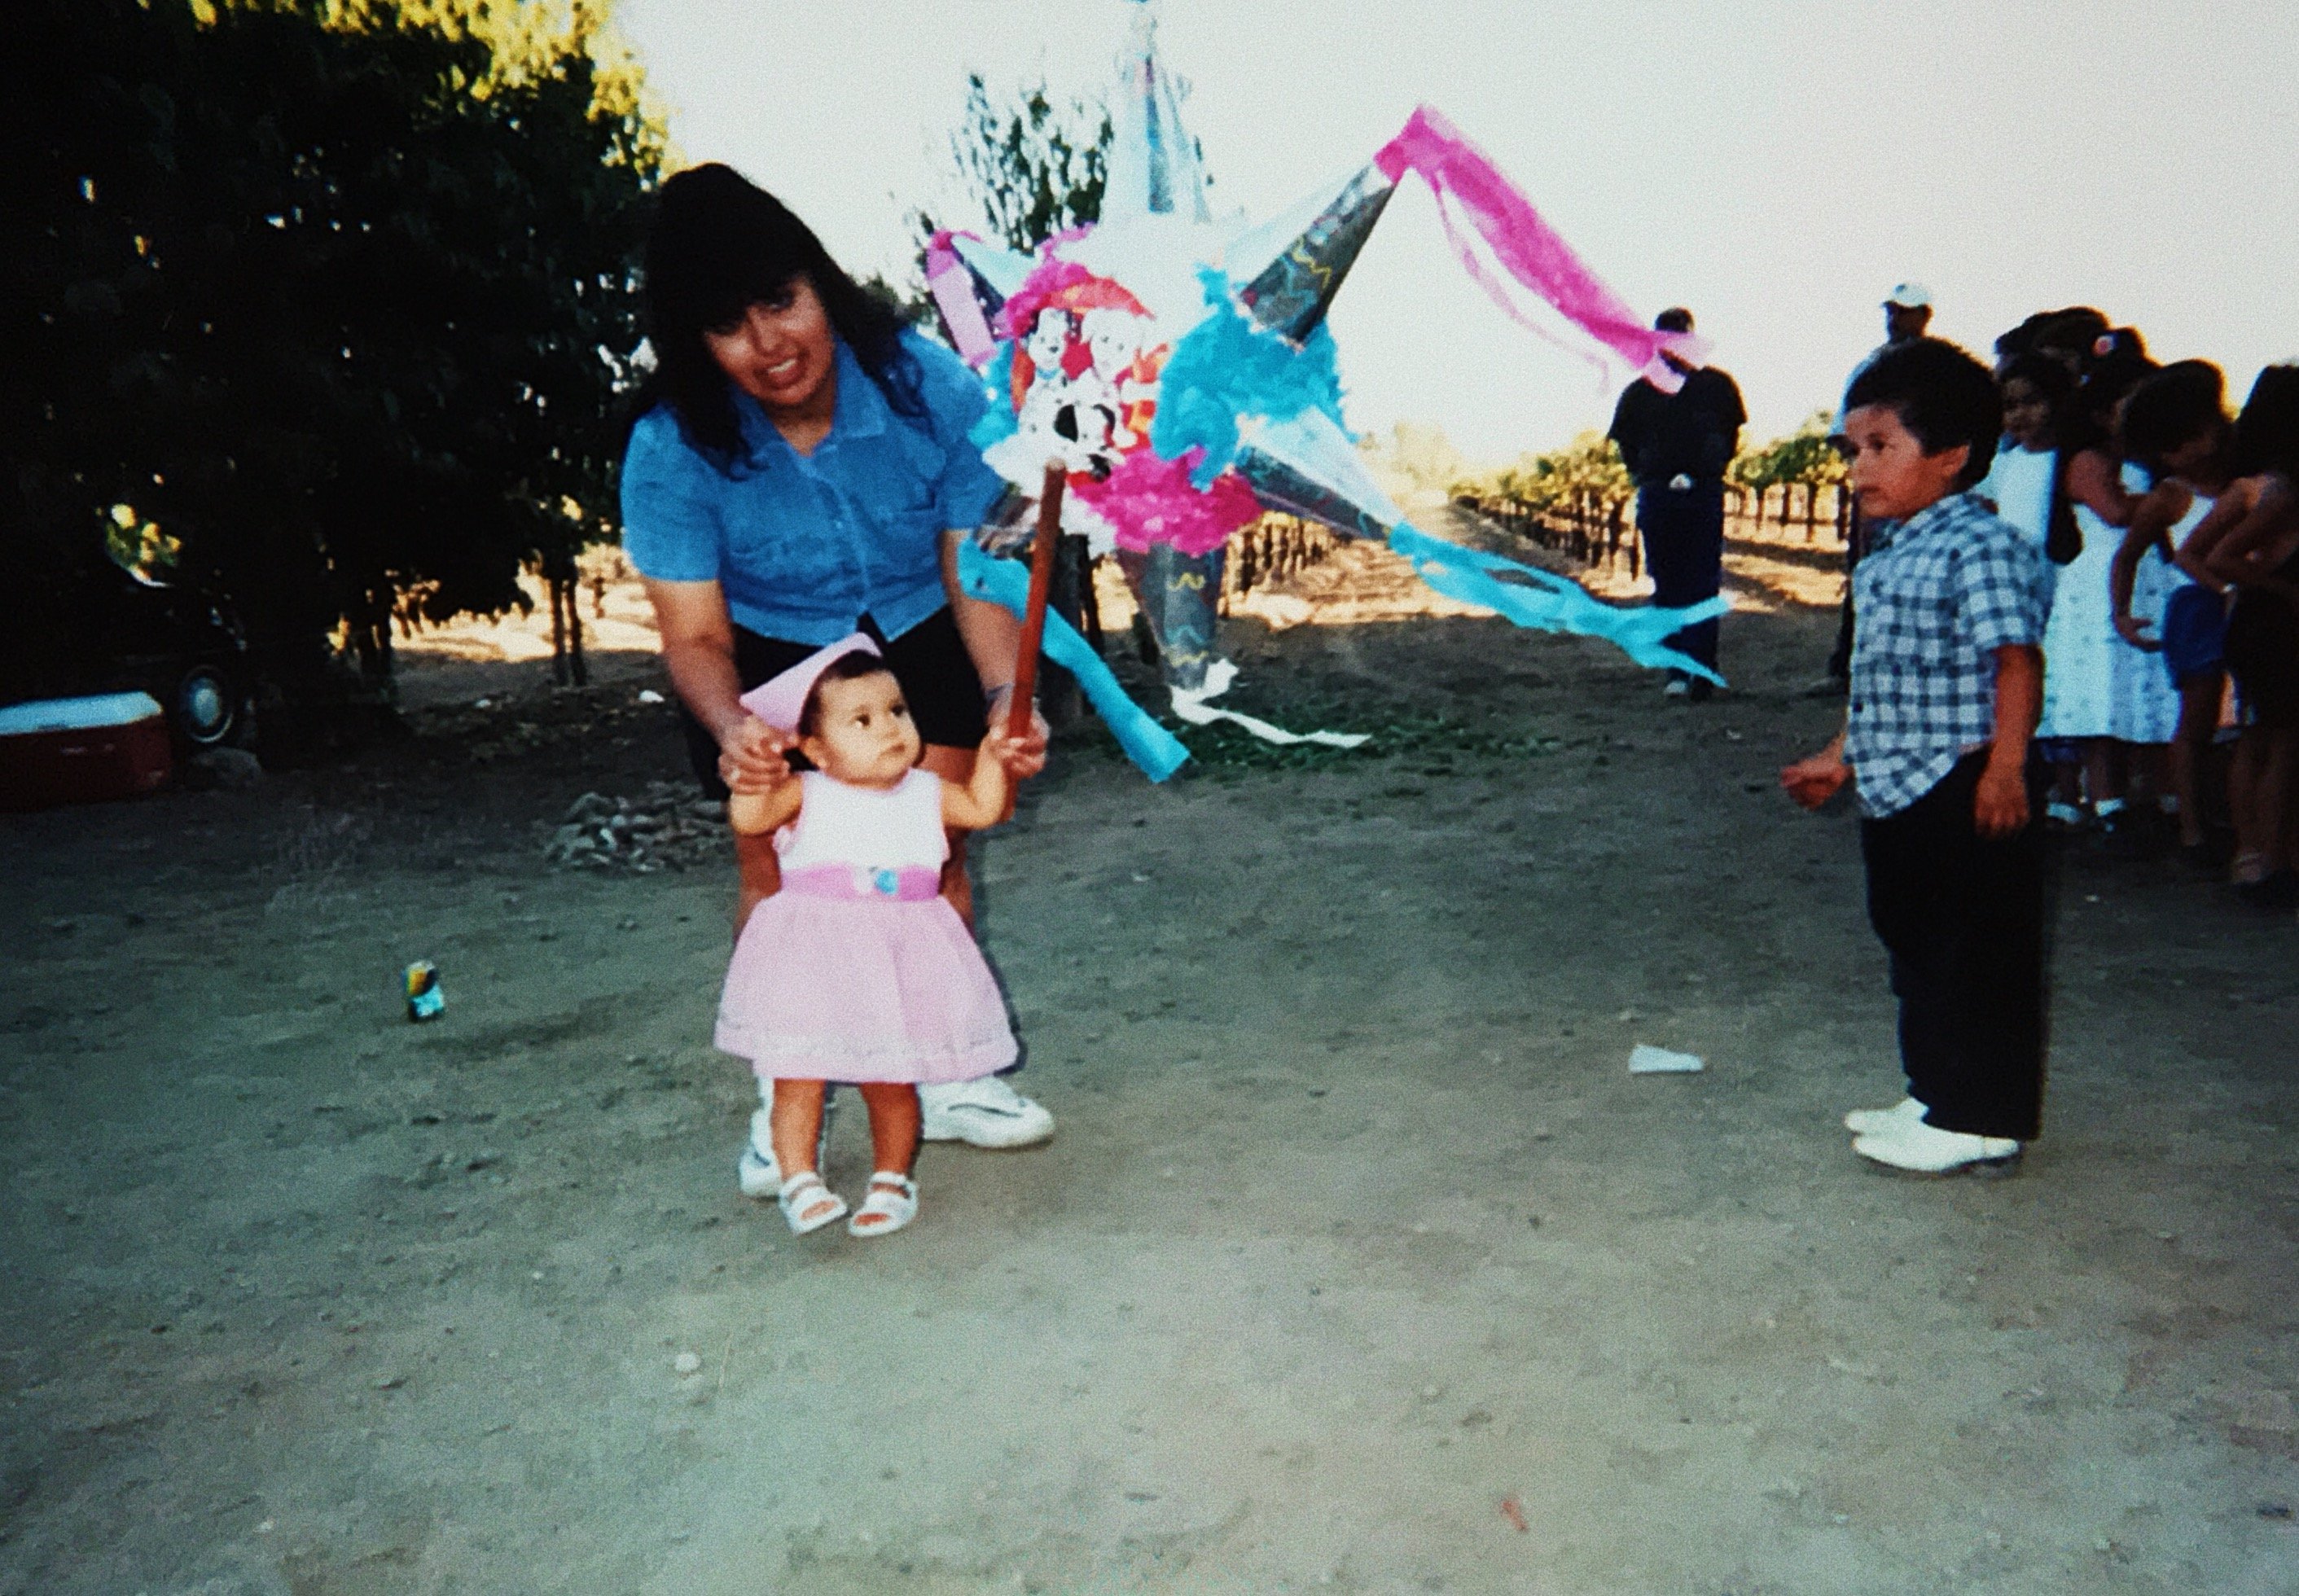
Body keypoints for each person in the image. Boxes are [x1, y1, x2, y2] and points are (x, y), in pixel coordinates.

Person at [619, 164, 1056, 1187]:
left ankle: (941, 1078)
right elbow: (694, 635)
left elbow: (977, 566)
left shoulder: (927, 386)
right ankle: (788, 1100)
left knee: (927, 854)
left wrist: (1001, 700)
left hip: (918, 621)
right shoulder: (669, 448)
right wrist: (733, 727)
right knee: (781, 879)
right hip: (766, 654)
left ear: (820, 284)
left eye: (781, 301)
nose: (770, 345)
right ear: (697, 342)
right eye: (731, 324)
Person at [1782, 339, 2053, 1177]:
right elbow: (1882, 683)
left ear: (1950, 457)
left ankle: (1982, 1117)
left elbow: (2016, 659)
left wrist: (2006, 769)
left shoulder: (1980, 546)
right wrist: (1841, 756)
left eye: (1880, 448)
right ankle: (1934, 1092)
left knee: (1976, 953)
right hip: (1901, 787)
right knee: (1913, 942)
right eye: (1852, 450)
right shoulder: (1894, 552)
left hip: (1969, 780)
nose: (1860, 468)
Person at [717, 638, 1025, 1237]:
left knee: (891, 1078)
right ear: (816, 750)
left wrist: (995, 751)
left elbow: (985, 807)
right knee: (797, 1074)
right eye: (861, 720)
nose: (888, 729)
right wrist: (753, 766)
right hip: (814, 960)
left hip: (897, 959)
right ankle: (798, 1178)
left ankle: (891, 1179)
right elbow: (750, 819)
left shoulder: (929, 794)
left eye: (897, 711)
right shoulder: (805, 794)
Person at [2113, 363, 2240, 867]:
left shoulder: (2242, 481)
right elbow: (2126, 557)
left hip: (2239, 602)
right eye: (2184, 442)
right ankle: (2192, 829)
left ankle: (2229, 818)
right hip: (2196, 609)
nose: (2201, 446)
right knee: (2196, 723)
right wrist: (2122, 614)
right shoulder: (2169, 498)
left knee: (2242, 725)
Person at [1607, 308, 1744, 699]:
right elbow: (1626, 445)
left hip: (1702, 493)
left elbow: (1731, 436)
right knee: (1667, 581)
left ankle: (1700, 669)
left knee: (1702, 582)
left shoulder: (1718, 386)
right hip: (1659, 495)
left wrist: (1707, 471)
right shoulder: (1639, 392)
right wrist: (1651, 476)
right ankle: (1676, 671)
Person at [2200, 364, 2299, 908]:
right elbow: (2220, 555)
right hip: (2274, 623)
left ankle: (2252, 857)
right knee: (2281, 744)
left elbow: (2199, 553)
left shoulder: (2250, 486)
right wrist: (2281, 592)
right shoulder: (2282, 492)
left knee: (2255, 741)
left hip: (2250, 621)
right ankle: (2271, 860)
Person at [1826, 283, 1936, 684]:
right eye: (1891, 311)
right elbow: (1842, 430)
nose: (1894, 320)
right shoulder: (1869, 368)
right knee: (1868, 572)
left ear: (1924, 315)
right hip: (1878, 490)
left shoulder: (1939, 369)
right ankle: (1850, 669)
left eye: (1903, 312)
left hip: (1927, 491)